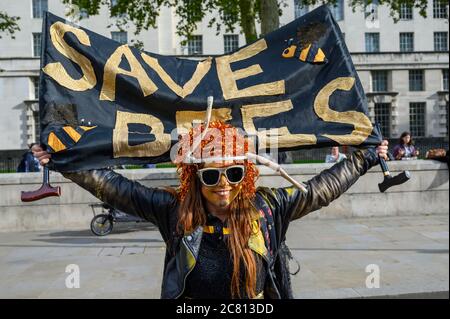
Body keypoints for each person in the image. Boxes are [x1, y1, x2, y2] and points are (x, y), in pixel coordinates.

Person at [33, 121, 389, 299]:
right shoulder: (173, 210)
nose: (223, 183)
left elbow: (318, 191)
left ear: (245, 177)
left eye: (234, 173)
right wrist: (64, 161)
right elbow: (116, 189)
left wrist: (367, 156)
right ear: (194, 176)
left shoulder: (267, 207)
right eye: (211, 174)